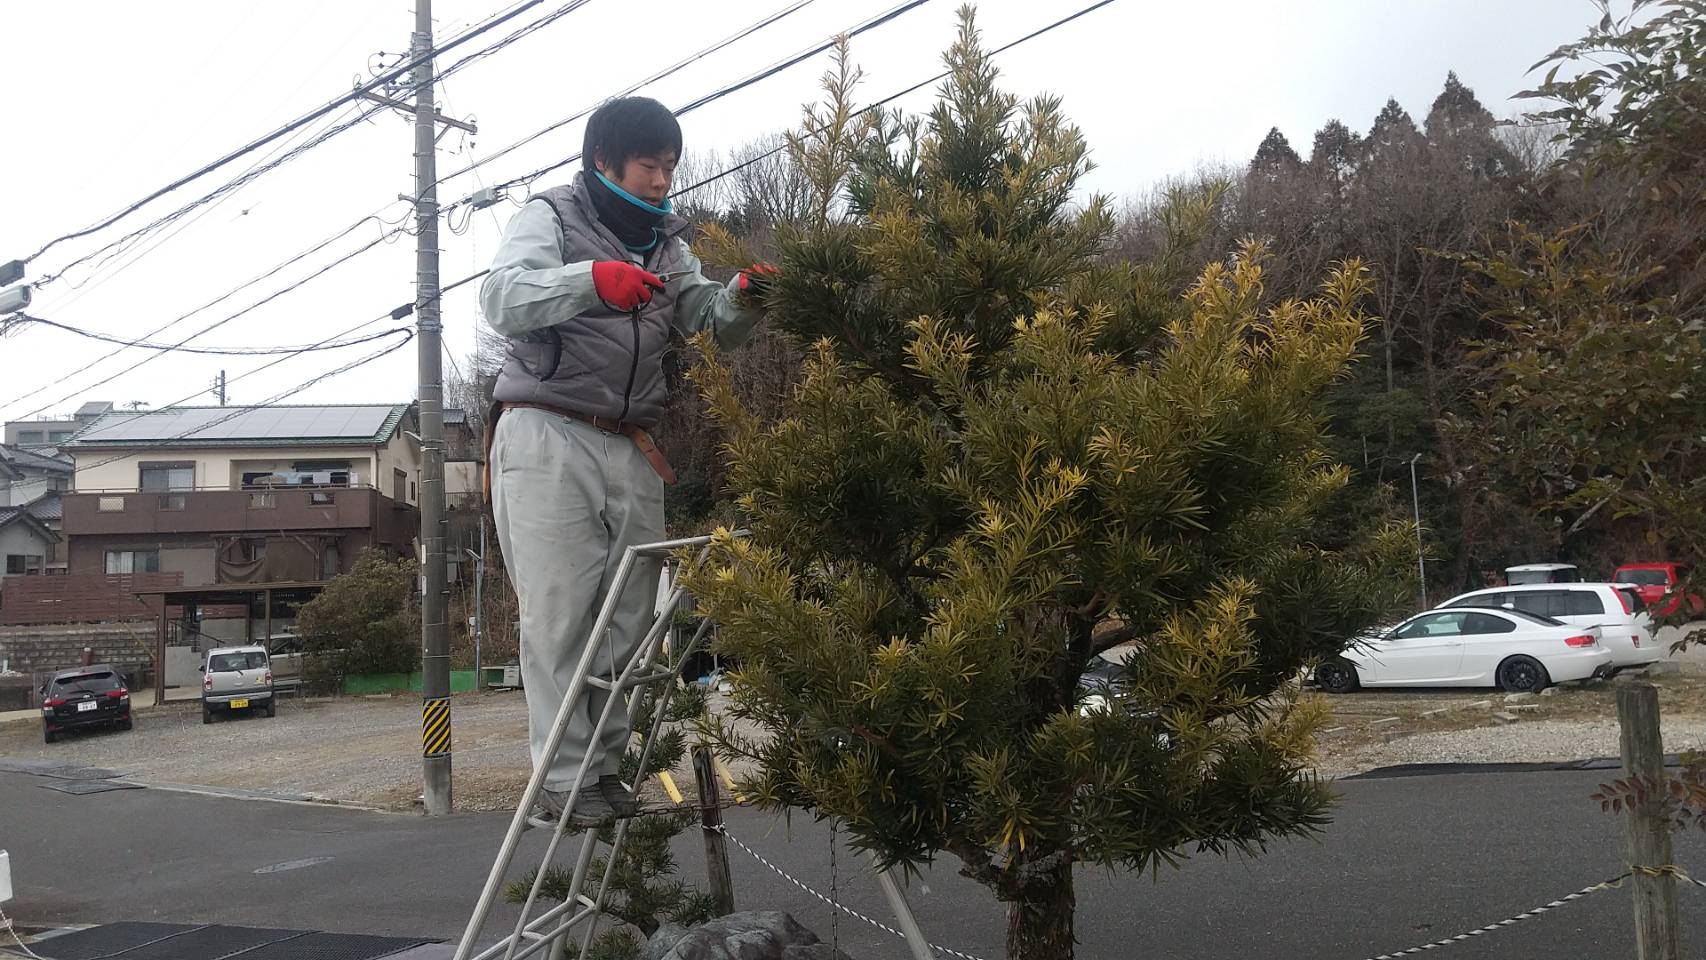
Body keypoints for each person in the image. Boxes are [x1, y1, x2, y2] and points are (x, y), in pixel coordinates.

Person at [479, 96, 774, 824]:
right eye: (648, 163)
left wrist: (744, 297)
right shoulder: (550, 216)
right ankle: (562, 778)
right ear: (604, 161)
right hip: (547, 428)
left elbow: (708, 317)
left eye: (670, 165)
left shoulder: (669, 245)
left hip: (632, 440)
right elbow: (502, 297)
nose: (660, 179)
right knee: (559, 615)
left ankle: (602, 771)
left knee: (630, 621)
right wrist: (589, 279)